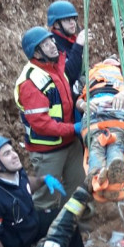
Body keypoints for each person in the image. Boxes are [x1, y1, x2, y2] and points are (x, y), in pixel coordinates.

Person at [0, 135, 89, 247]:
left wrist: (43, 180)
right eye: (6, 154)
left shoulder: (16, 173)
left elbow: (28, 184)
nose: (14, 155)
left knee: (65, 220)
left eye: (12, 150)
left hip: (32, 223)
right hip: (15, 244)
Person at [14, 25, 85, 209]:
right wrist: (74, 128)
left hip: (70, 143)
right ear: (36, 53)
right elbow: (41, 124)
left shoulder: (56, 67)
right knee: (47, 199)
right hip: (48, 151)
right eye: (45, 44)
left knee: (78, 189)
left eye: (51, 40)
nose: (53, 45)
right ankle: (43, 235)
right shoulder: (31, 82)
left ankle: (72, 230)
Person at [78, 56, 124, 187]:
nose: (113, 58)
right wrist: (82, 104)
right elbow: (78, 99)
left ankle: (105, 168)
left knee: (104, 142)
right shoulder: (90, 76)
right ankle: (101, 170)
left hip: (111, 115)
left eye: (116, 58)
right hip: (99, 115)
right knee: (105, 142)